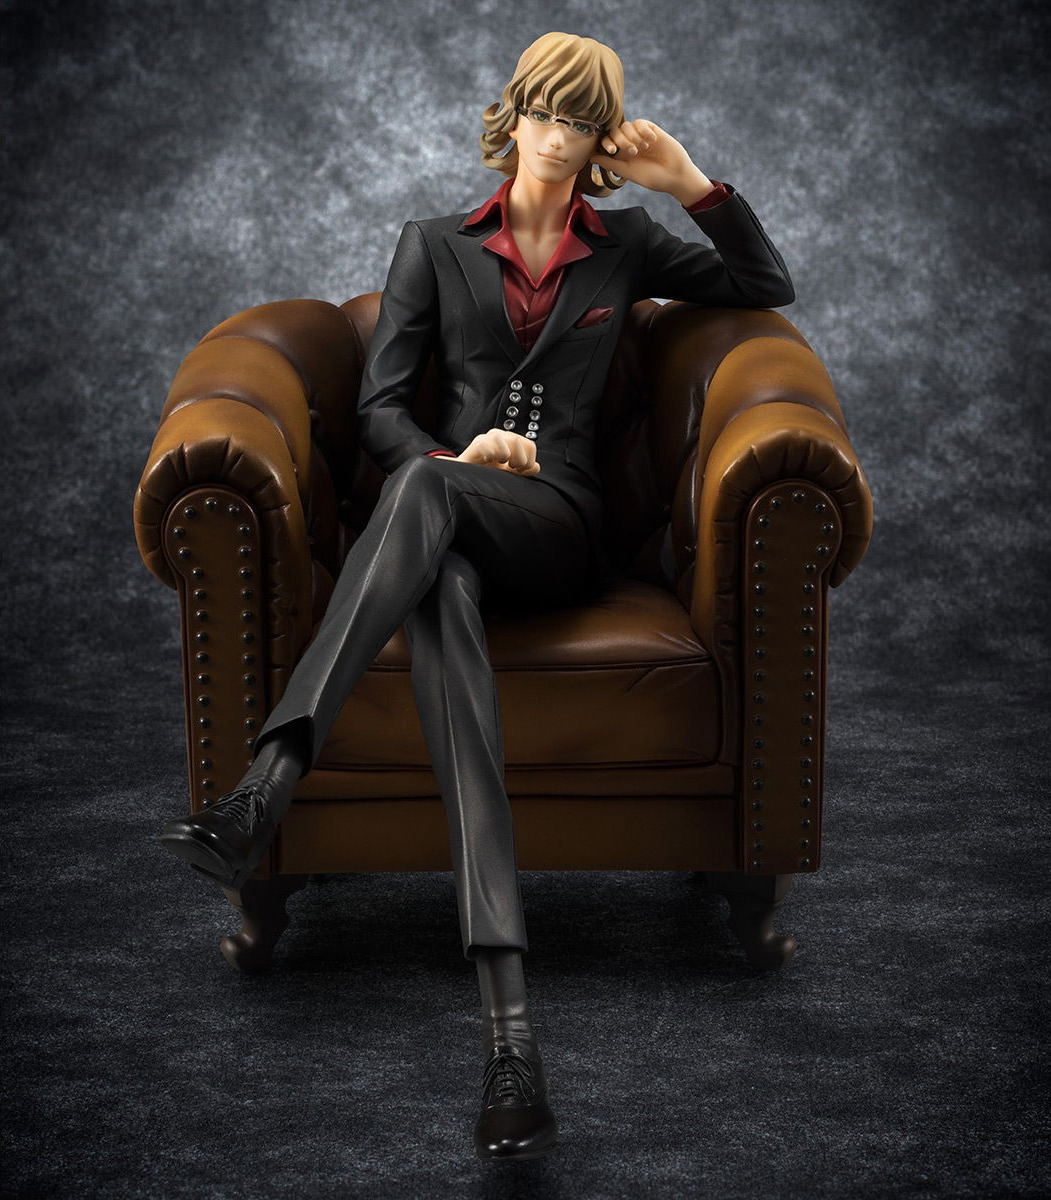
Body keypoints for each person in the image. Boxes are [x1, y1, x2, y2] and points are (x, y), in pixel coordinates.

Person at [158, 30, 794, 1162]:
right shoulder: (434, 246)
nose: (556, 134)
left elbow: (763, 285)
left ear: (600, 139)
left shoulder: (627, 247)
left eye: (580, 119)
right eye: (543, 110)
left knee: (423, 493)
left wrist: (688, 181)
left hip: (558, 529)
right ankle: (511, 1044)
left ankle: (268, 782)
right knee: (437, 569)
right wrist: (465, 453)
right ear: (514, 116)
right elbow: (380, 409)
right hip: (451, 517)